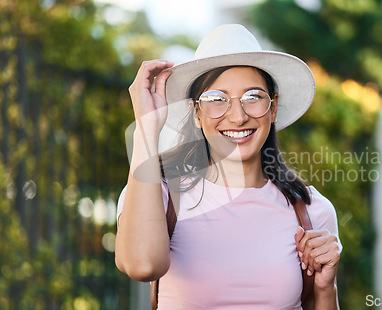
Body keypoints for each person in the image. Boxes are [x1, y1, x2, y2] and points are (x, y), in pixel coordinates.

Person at [115, 24, 342, 309]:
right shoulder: (156, 195)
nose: (237, 117)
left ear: (272, 108)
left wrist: (325, 288)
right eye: (216, 99)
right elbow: (142, 265)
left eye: (253, 97)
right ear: (196, 113)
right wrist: (147, 131)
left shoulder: (310, 210)